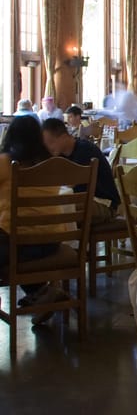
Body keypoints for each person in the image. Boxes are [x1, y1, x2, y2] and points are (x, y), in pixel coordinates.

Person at [0, 116, 68, 321]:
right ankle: (41, 294)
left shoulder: (5, 163)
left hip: (18, 243)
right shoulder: (53, 164)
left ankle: (40, 294)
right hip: (52, 240)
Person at [41, 119, 120, 225]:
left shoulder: (85, 150)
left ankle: (67, 240)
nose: (49, 148)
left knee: (61, 212)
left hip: (103, 203)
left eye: (51, 142)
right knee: (52, 210)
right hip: (82, 200)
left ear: (64, 137)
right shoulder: (60, 155)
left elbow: (70, 185)